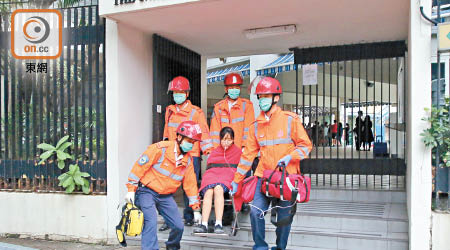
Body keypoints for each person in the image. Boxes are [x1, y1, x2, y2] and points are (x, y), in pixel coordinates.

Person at [230, 77, 312, 250]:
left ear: (276, 97)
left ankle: (280, 247)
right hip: (264, 176)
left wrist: (291, 156)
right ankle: (260, 246)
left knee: (284, 217)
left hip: (287, 178)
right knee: (255, 211)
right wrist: (237, 180)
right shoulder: (255, 126)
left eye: (266, 96)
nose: (262, 100)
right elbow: (247, 156)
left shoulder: (290, 120)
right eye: (260, 97)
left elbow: (306, 146)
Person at [125, 121, 202, 250]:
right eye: (189, 140)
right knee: (151, 221)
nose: (191, 144)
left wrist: (196, 209)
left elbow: (191, 185)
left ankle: (172, 247)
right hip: (147, 191)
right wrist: (131, 189)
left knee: (178, 226)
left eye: (193, 142)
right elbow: (139, 167)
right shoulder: (160, 149)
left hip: (165, 196)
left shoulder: (187, 160)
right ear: (179, 137)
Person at [162, 76, 213, 228]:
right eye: (175, 92)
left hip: (192, 154)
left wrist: (208, 150)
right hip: (173, 154)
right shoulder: (169, 111)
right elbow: (166, 132)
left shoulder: (196, 112)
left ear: (187, 94)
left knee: (189, 186)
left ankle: (189, 216)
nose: (177, 95)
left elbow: (203, 131)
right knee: (168, 186)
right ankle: (167, 218)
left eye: (180, 92)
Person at [194, 127, 242, 234]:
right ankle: (204, 224)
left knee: (218, 189)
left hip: (227, 177)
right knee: (208, 191)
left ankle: (218, 223)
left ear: (233, 139)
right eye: (224, 139)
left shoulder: (238, 152)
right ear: (220, 139)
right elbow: (209, 168)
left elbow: (240, 169)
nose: (226, 142)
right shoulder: (215, 152)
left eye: (229, 139)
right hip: (213, 176)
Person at [209, 72, 255, 150]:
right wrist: (216, 151)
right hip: (223, 150)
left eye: (237, 88)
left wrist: (244, 148)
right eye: (231, 88)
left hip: (240, 150)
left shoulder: (247, 106)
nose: (234, 90)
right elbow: (215, 132)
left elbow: (249, 129)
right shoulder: (218, 107)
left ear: (240, 89)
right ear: (226, 89)